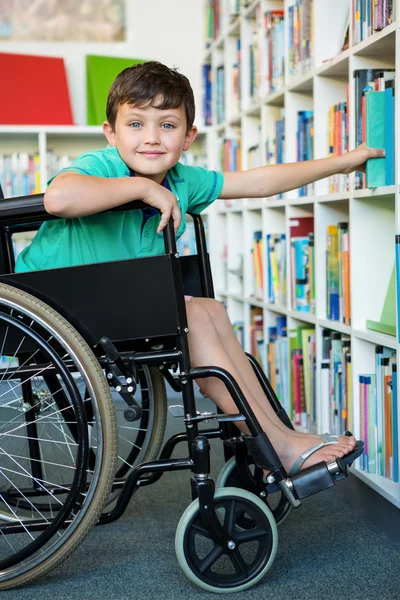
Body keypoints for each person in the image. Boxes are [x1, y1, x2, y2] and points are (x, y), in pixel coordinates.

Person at [16, 61, 383, 475]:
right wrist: (142, 188)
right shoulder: (102, 165)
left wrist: (343, 162)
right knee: (190, 317)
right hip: (50, 305)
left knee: (209, 310)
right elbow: (59, 198)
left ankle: (279, 435)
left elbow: (258, 182)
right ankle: (277, 445)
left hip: (109, 302)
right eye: (135, 124)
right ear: (110, 133)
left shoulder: (182, 180)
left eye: (167, 126)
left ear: (188, 136)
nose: (151, 138)